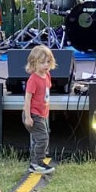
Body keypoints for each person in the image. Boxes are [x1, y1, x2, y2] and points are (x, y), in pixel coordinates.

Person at [22, 44, 55, 174]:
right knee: (42, 138)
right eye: (42, 63)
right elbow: (28, 99)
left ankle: (35, 162)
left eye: (48, 62)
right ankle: (36, 163)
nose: (46, 65)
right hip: (33, 114)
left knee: (39, 138)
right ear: (33, 63)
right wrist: (28, 116)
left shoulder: (47, 75)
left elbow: (44, 94)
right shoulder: (33, 80)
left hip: (41, 114)